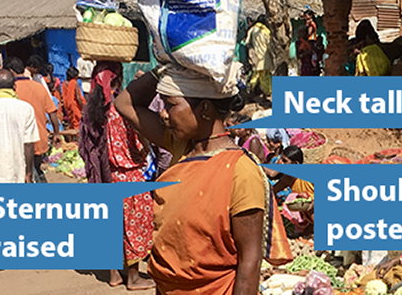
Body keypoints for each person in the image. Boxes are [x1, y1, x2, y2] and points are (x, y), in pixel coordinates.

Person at [115, 65, 292, 294]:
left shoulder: (241, 171)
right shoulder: (182, 147)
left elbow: (250, 261)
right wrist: (163, 68)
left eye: (171, 105)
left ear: (205, 108)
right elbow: (125, 104)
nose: (163, 113)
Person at [78, 61, 154, 290]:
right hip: (128, 175)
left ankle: (114, 275)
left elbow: (85, 147)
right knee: (133, 225)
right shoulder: (122, 109)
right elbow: (138, 143)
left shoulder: (91, 112)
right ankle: (133, 277)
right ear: (118, 79)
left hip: (104, 176)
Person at [0, 69, 39, 184]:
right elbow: (28, 144)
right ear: (14, 86)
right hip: (19, 170)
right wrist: (28, 172)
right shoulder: (25, 108)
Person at [4, 57, 62, 183]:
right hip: (39, 138)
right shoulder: (39, 87)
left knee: (26, 174)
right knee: (35, 169)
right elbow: (52, 113)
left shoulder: (11, 91)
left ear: (10, 71)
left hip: (19, 140)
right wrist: (57, 133)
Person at [245, 15, 273, 97]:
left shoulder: (252, 29)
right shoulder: (266, 31)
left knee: (256, 74)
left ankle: (250, 90)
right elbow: (270, 44)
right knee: (265, 76)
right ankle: (268, 92)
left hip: (256, 57)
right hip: (265, 56)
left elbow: (247, 42)